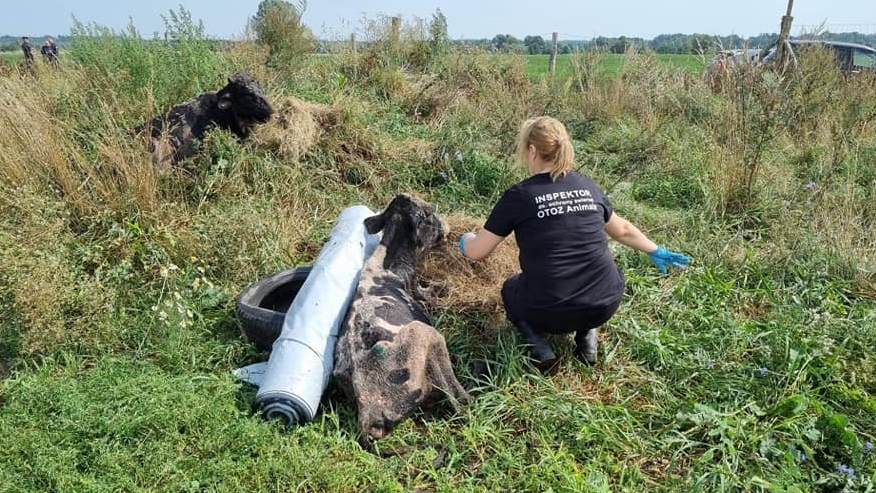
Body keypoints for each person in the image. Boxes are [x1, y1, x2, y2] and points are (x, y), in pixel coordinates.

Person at [458, 116, 690, 371]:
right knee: (605, 275)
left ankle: (538, 344)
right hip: (605, 302)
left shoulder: (519, 196)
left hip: (548, 309)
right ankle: (587, 339)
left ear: (532, 150)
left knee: (511, 288)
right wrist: (656, 249)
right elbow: (622, 229)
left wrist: (465, 239)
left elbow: (478, 252)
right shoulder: (585, 185)